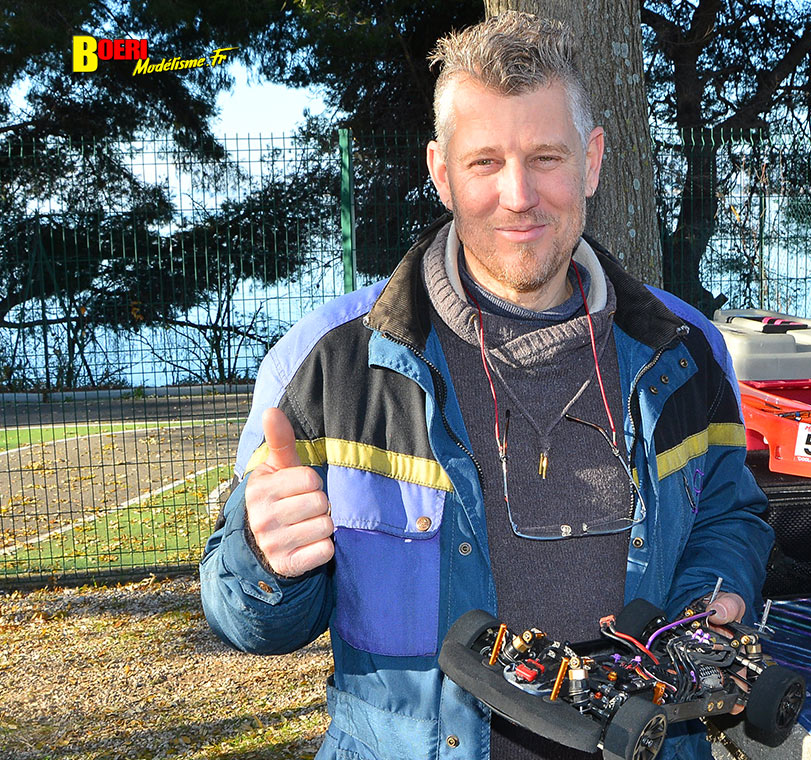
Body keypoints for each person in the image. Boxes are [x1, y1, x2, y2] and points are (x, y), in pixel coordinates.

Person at [200, 11, 773, 760]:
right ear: (441, 173)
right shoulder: (326, 363)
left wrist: (713, 597)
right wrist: (262, 556)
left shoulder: (685, 350)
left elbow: (731, 513)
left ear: (593, 160)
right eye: (484, 163)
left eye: (546, 157)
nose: (518, 195)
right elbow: (248, 620)